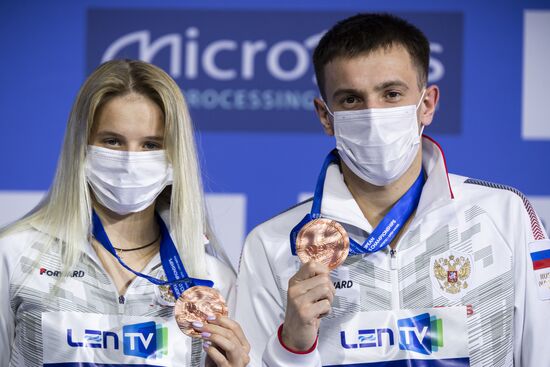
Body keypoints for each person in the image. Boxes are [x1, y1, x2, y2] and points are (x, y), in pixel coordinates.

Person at [234, 13, 550, 367]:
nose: (373, 115)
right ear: (326, 116)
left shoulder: (504, 215)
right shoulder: (273, 244)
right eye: (352, 100)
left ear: (426, 104)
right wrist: (292, 345)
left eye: (391, 94)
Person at [0, 60, 250, 367]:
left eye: (150, 144)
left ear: (175, 157)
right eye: (112, 141)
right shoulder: (14, 255)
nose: (130, 162)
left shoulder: (209, 279)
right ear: (82, 147)